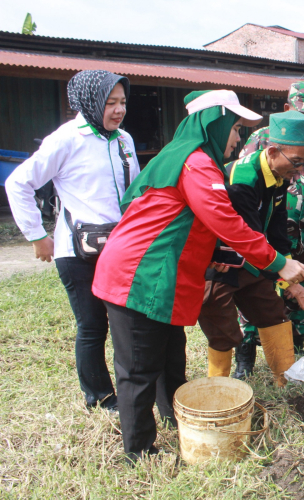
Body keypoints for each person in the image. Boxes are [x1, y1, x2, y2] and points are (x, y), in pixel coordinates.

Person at [91, 90, 304, 462]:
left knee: (170, 357)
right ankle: (139, 451)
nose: (239, 138)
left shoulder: (183, 157)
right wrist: (279, 264)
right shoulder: (196, 162)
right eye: (236, 128)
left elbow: (174, 215)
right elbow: (226, 221)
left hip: (163, 275)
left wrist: (213, 255)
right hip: (140, 275)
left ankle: (178, 423)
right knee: (139, 369)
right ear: (216, 122)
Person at [6, 70, 141, 413]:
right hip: (77, 250)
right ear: (90, 102)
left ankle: (134, 389)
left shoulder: (123, 140)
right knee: (93, 325)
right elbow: (19, 183)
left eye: (122, 102)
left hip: (119, 247)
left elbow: (135, 192)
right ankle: (100, 397)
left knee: (128, 322)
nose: (118, 110)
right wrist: (37, 236)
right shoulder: (67, 139)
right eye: (110, 103)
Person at [197, 110, 304, 385]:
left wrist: (288, 273)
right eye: (297, 161)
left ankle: (284, 379)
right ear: (273, 151)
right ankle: (218, 389)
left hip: (256, 260)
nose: (300, 169)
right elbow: (249, 237)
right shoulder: (243, 179)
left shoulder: (280, 176)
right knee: (219, 323)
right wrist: (291, 284)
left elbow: (277, 234)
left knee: (271, 313)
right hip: (223, 263)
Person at [232, 82, 304, 377]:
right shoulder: (257, 147)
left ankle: (292, 355)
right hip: (254, 236)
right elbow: (246, 224)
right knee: (256, 294)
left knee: (296, 296)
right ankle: (245, 356)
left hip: (298, 238)